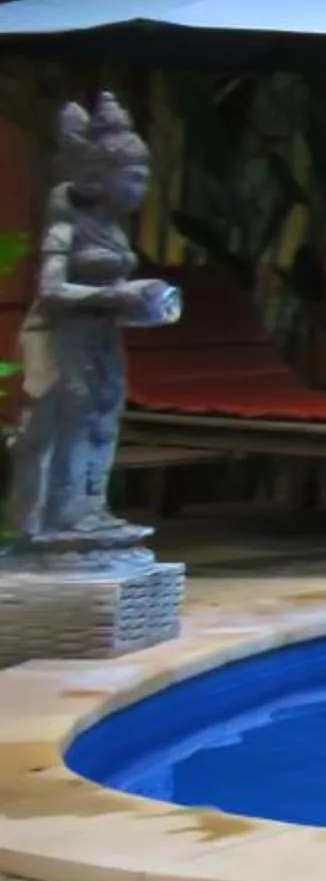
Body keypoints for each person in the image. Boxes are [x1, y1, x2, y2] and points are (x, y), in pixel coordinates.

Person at [7, 96, 179, 559]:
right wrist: (112, 296)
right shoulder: (67, 227)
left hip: (101, 339)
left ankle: (90, 507)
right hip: (63, 340)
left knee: (104, 418)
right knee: (72, 417)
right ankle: (60, 514)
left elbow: (113, 293)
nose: (142, 186)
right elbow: (50, 290)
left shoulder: (115, 231)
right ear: (99, 178)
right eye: (135, 176)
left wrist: (137, 303)